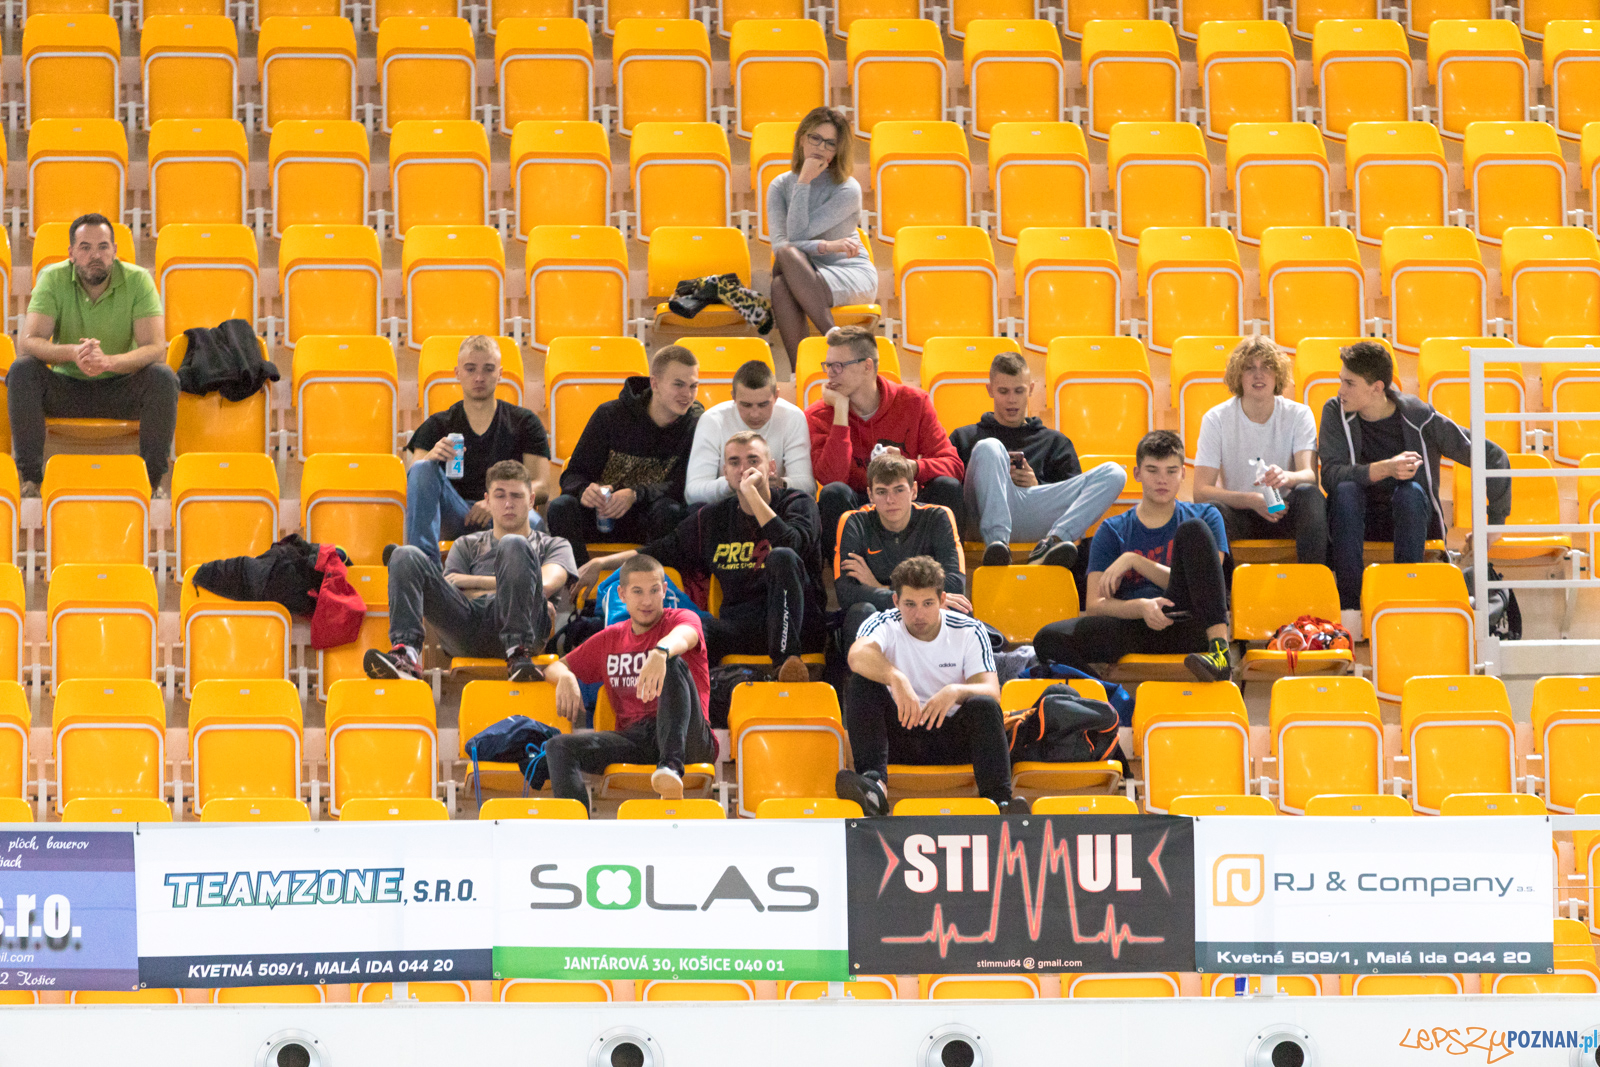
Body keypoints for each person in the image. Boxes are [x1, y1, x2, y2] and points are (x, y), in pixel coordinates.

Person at [577, 432, 825, 683]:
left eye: (753, 461)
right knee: (687, 630)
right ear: (724, 472)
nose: (743, 470)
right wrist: (601, 562)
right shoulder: (713, 518)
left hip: (799, 627)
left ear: (771, 468)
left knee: (782, 556)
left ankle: (786, 665)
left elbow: (793, 545)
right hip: (741, 628)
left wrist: (753, 496)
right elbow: (660, 550)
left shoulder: (799, 503)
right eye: (734, 463)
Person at [1321, 340, 1510, 627]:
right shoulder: (1335, 411)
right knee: (1345, 491)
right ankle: (1350, 608)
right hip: (1355, 521)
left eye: (1349, 383)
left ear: (1377, 388)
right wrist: (1384, 468)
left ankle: (1405, 602)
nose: (1340, 390)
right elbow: (1330, 476)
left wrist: (1494, 525)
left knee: (1410, 492)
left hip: (1412, 519)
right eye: (1341, 381)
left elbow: (1493, 456)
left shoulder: (1419, 416)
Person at [1033, 430, 1233, 683]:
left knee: (1193, 529)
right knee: (1048, 639)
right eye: (1152, 470)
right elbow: (1095, 605)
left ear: (1183, 473)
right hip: (1134, 625)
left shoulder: (1205, 516)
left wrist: (1134, 560)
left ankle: (1221, 654)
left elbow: (1204, 586)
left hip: (1190, 622)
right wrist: (1141, 608)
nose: (1162, 479)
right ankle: (1106, 695)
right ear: (1137, 474)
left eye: (1171, 471)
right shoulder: (1112, 529)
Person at [835, 555, 1024, 817]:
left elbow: (992, 691)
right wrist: (896, 678)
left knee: (984, 705)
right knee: (861, 683)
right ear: (895, 601)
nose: (919, 614)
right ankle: (874, 787)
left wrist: (956, 691)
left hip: (951, 739)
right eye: (910, 604)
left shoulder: (969, 630)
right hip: (897, 738)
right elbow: (857, 655)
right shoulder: (883, 623)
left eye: (928, 603)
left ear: (943, 601)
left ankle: (1001, 804)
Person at [365, 461, 576, 683]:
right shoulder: (466, 544)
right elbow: (451, 592)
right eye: (500, 495)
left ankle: (517, 651)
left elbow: (546, 585)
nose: (508, 504)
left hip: (526, 626)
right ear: (486, 500)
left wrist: (474, 582)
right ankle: (405, 654)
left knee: (513, 543)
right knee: (404, 554)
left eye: (516, 496)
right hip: (468, 625)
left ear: (531, 500)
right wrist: (514, 585)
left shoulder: (554, 545)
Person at [11, 212, 174, 497]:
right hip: (67, 389)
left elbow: (156, 348)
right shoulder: (53, 277)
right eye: (85, 247)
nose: (94, 255)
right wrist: (73, 353)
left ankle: (152, 482)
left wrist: (109, 362)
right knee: (23, 369)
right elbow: (29, 342)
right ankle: (31, 480)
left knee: (163, 376)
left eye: (102, 246)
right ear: (72, 253)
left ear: (114, 251)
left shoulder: (138, 281)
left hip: (120, 386)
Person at [543, 554, 715, 807]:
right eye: (637, 592)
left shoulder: (680, 618)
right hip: (638, 739)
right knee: (558, 747)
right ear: (622, 594)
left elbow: (684, 636)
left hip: (690, 737)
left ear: (664, 590)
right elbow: (553, 667)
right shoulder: (610, 638)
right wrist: (566, 677)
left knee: (672, 661)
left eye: (654, 590)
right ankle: (577, 831)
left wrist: (660, 652)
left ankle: (671, 767)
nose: (647, 600)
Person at [950, 351, 1127, 570]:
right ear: (990, 390)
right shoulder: (964, 437)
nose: (1012, 399)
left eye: (1019, 390)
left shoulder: (1055, 441)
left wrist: (1037, 484)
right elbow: (951, 492)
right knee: (990, 446)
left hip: (1034, 512)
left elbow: (1075, 498)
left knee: (1115, 472)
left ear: (1031, 389)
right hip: (979, 517)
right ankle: (997, 544)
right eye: (1003, 391)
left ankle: (1055, 542)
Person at [807, 324, 965, 561]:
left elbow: (953, 465)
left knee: (947, 487)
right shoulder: (819, 414)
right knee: (833, 494)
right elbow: (831, 478)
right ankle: (846, 582)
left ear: (867, 366)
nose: (830, 373)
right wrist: (840, 411)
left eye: (838, 366)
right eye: (828, 366)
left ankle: (946, 581)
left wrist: (910, 467)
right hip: (860, 510)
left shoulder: (913, 402)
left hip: (905, 503)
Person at [398, 335, 551, 563]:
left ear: (500, 374)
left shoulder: (524, 422)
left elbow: (542, 486)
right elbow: (416, 481)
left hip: (504, 511)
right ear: (457, 373)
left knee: (535, 523)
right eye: (471, 369)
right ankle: (423, 568)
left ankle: (532, 588)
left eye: (488, 369)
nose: (479, 377)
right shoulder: (438, 424)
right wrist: (431, 458)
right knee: (421, 469)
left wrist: (498, 501)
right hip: (454, 514)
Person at [546, 344, 703, 565]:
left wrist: (635, 494)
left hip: (648, 519)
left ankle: (658, 586)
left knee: (671, 511)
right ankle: (579, 589)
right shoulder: (610, 416)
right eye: (678, 385)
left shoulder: (697, 423)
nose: (687, 395)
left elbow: (684, 486)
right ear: (655, 383)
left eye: (693, 386)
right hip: (601, 517)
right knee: (560, 507)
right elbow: (572, 475)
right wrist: (584, 490)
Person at [1193, 336, 1326, 566]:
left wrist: (1287, 477)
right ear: (1238, 375)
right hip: (1240, 512)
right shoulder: (1216, 419)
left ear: (1278, 375)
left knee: (1309, 494)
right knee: (1212, 511)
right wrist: (1252, 500)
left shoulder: (1299, 414)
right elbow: (1201, 491)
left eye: (1267, 367)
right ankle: (1223, 594)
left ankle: (1313, 580)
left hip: (1284, 511)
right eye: (1249, 368)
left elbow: (1310, 476)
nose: (1259, 375)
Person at [768, 106, 878, 366]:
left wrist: (803, 182)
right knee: (781, 280)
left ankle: (832, 342)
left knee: (785, 265)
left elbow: (794, 237)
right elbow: (782, 245)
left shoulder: (848, 189)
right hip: (802, 273)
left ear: (837, 150)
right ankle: (803, 372)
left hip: (849, 271)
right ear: (802, 138)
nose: (820, 147)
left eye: (830, 143)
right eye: (815, 138)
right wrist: (828, 245)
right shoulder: (780, 185)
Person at [835, 451, 968, 643]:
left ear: (913, 491)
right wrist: (906, 599)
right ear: (870, 494)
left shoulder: (938, 516)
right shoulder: (854, 521)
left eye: (899, 490)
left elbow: (955, 583)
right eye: (882, 492)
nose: (891, 500)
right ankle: (863, 673)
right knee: (861, 611)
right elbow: (846, 593)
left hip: (922, 612)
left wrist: (879, 587)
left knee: (957, 606)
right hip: (881, 617)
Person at [684, 359, 813, 505]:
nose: (755, 414)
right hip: (728, 507)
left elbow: (808, 487)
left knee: (803, 504)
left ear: (776, 396)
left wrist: (779, 483)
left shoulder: (792, 417)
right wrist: (732, 485)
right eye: (746, 405)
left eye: (763, 404)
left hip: (775, 502)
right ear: (733, 397)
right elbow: (692, 493)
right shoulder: (712, 420)